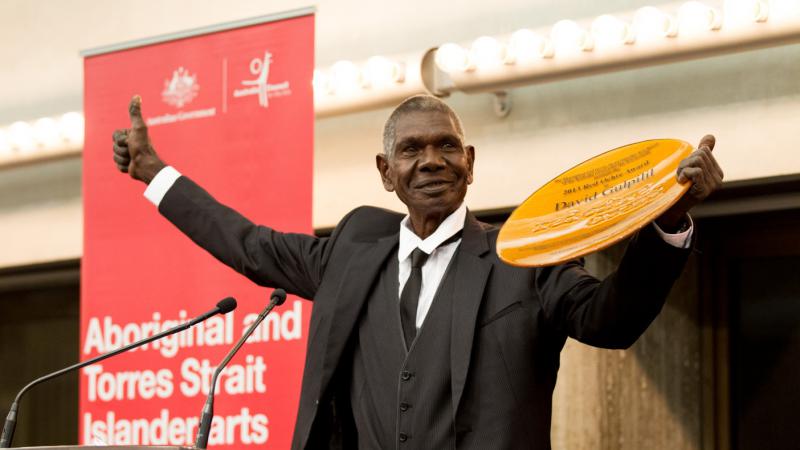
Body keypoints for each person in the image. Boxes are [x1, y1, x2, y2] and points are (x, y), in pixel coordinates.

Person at [112, 94, 723, 450]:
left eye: (446, 147)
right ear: (386, 171)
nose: (431, 161)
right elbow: (248, 244)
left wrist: (665, 225)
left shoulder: (524, 253)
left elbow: (610, 319)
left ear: (470, 163)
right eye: (412, 150)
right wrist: (154, 174)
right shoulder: (351, 252)